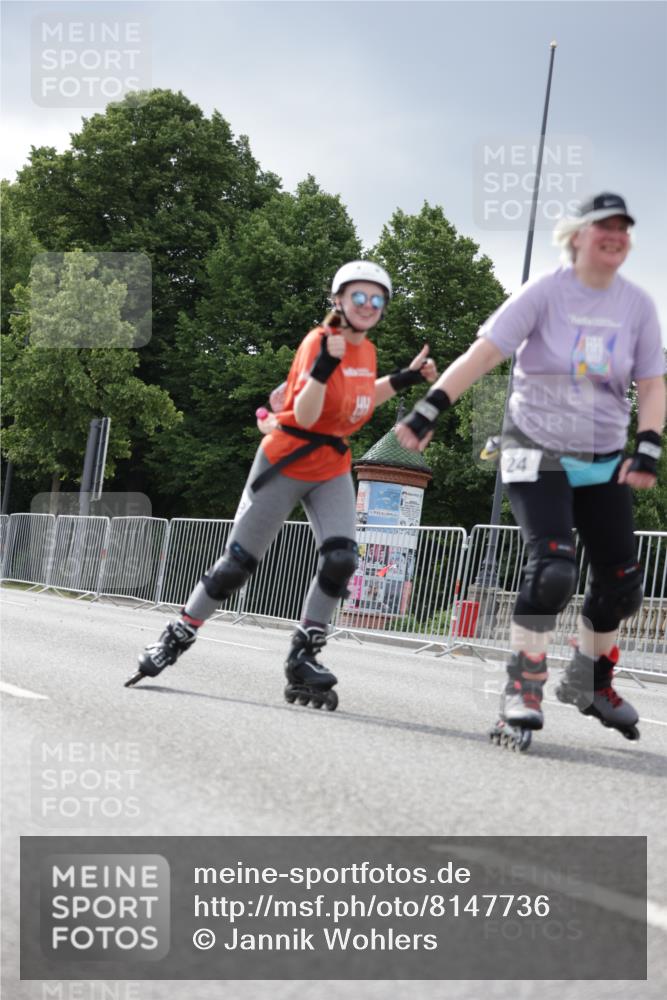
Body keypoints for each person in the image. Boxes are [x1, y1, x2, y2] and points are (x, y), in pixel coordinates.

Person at [395, 193, 665, 745]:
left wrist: (649, 445)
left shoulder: (637, 305)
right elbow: (484, 355)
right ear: (577, 236)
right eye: (603, 227)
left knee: (622, 585)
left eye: (623, 229)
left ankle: (590, 681)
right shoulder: (543, 292)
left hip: (603, 457)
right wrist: (430, 410)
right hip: (534, 448)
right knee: (553, 572)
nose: (615, 236)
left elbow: (653, 383)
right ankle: (522, 687)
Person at [128, 260, 437, 707]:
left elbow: (361, 397)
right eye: (359, 297)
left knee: (341, 559)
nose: (368, 305)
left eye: (377, 299)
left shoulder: (365, 351)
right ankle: (174, 637)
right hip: (287, 457)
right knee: (237, 564)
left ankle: (303, 655)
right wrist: (325, 367)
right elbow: (308, 413)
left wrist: (405, 379)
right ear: (338, 300)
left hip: (330, 462)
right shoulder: (318, 343)